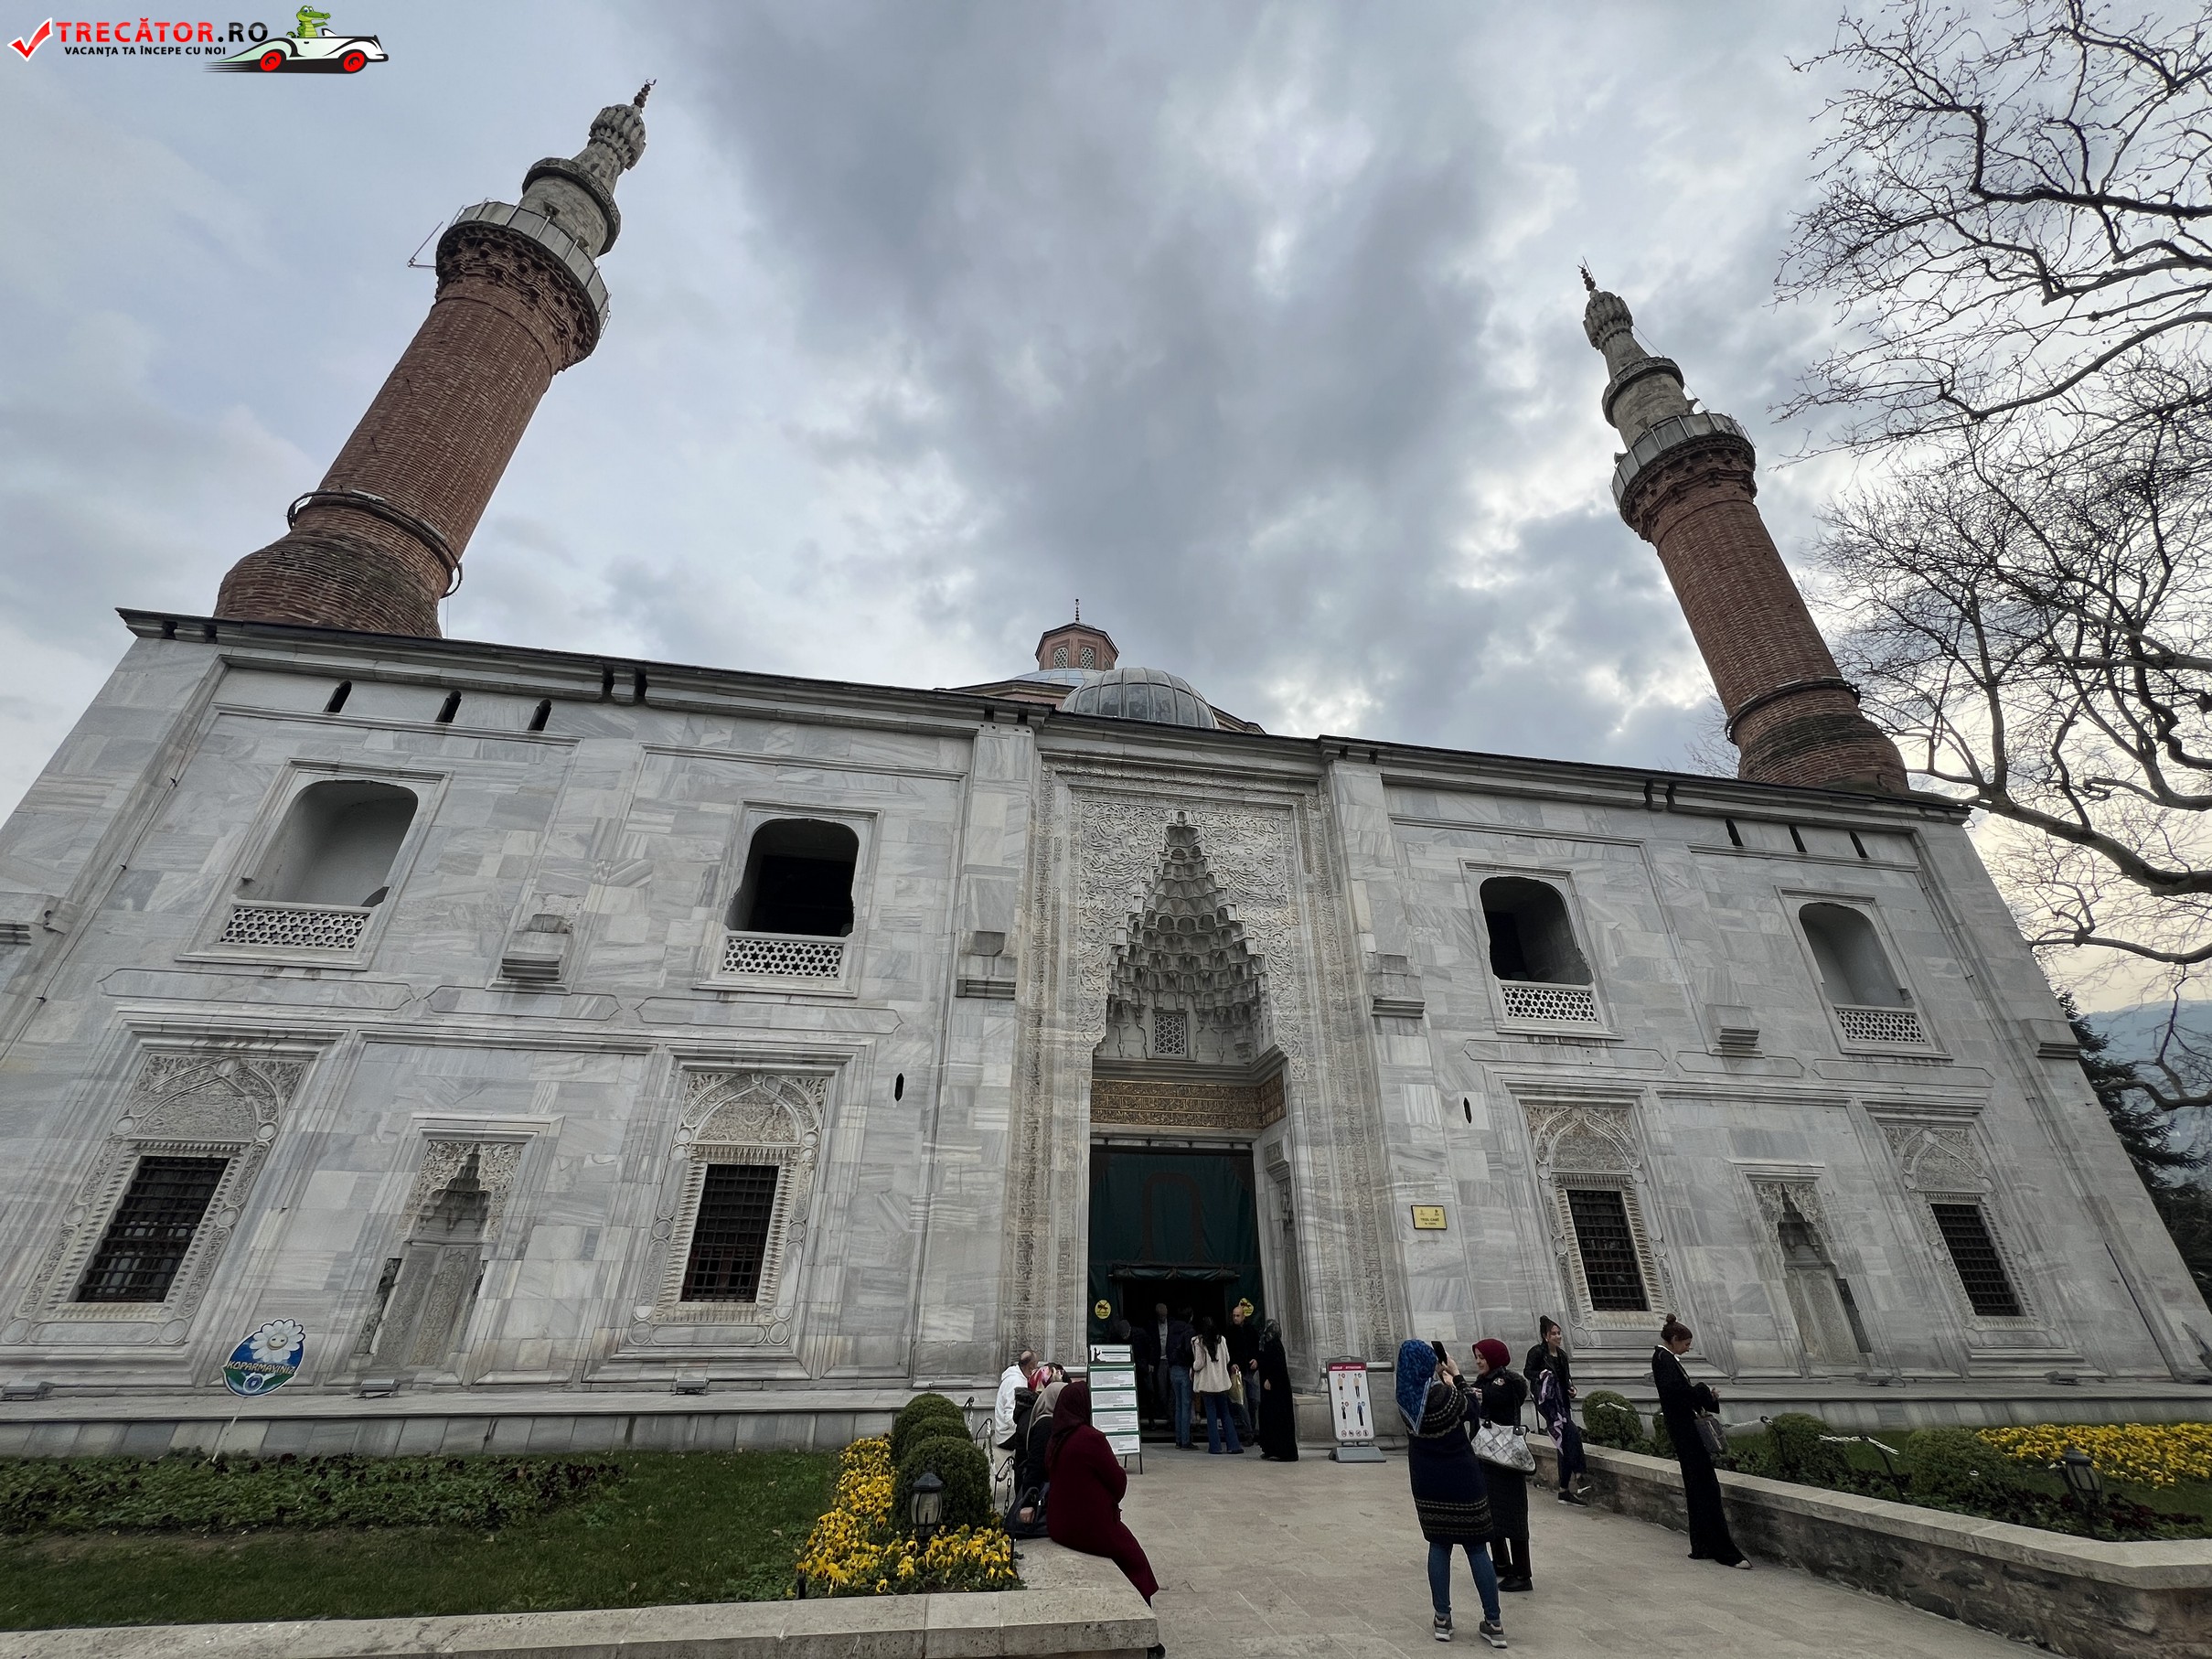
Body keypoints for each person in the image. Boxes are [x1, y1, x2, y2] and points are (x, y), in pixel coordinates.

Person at [1397, 1341, 1506, 1648]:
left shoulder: (1406, 1400)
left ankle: (1442, 1618)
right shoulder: (1445, 1395)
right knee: (1475, 1547)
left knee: (1440, 1544)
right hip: (1462, 1478)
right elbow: (1473, 1409)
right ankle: (1493, 1621)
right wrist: (1456, 1376)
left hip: (1428, 1482)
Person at [1045, 1379, 1161, 1604]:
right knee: (1134, 1557)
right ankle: (1142, 1611)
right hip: (1086, 1526)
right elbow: (1118, 1484)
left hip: (1058, 1524)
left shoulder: (1057, 1438)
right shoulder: (1090, 1438)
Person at [1653, 1316, 1749, 1569]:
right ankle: (1723, 1550)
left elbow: (1681, 1394)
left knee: (1698, 1488)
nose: (1688, 1348)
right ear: (1674, 1340)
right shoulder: (1663, 1360)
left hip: (1685, 1431)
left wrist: (1703, 1396)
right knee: (1705, 1488)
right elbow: (1677, 1394)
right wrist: (1705, 1391)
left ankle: (1703, 1544)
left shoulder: (1667, 1359)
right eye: (1685, 1343)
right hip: (1685, 1432)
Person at [1469, 1338, 1532, 1593]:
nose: (1478, 1361)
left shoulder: (1506, 1382)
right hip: (1488, 1459)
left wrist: (1463, 1384)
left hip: (1507, 1461)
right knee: (1491, 1512)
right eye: (1476, 1357)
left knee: (1513, 1516)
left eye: (1482, 1357)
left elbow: (1491, 1397)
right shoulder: (1483, 1382)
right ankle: (1502, 1564)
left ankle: (1522, 1573)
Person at [1524, 1317, 1588, 1504]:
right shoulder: (1537, 1353)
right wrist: (1542, 1375)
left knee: (1563, 1443)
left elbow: (1567, 1378)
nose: (1558, 1337)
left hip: (1563, 1401)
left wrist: (1572, 1389)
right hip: (1549, 1403)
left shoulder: (1562, 1356)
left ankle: (1564, 1491)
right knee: (1572, 1433)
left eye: (1559, 1333)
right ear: (1545, 1336)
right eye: (1554, 1334)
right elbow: (1528, 1372)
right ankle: (1579, 1473)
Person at [1190, 1316, 1245, 1453]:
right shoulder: (1222, 1340)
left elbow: (1199, 1363)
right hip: (1221, 1383)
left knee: (1211, 1415)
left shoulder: (1199, 1342)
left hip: (1207, 1384)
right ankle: (1233, 1445)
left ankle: (1215, 1447)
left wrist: (1192, 1368)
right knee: (1225, 1413)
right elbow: (1227, 1359)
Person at [1255, 1316, 1298, 1461]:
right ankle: (1270, 1448)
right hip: (1268, 1390)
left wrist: (1271, 1379)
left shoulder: (1275, 1345)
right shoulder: (1266, 1344)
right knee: (1268, 1418)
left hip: (1277, 1389)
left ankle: (1285, 1452)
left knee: (1280, 1419)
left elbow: (1279, 1366)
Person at [1226, 1301, 1261, 1440]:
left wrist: (1256, 1359)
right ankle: (1248, 1431)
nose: (1235, 1318)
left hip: (1251, 1370)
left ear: (1243, 1317)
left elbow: (1258, 1347)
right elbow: (1227, 1351)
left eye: (1238, 1316)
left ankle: (1254, 1427)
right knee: (1241, 1402)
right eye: (1234, 1316)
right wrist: (1231, 1364)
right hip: (1238, 1370)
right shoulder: (1230, 1332)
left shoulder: (1251, 1330)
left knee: (1254, 1401)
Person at [1166, 1306, 1197, 1449]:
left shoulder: (1171, 1329)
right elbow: (1189, 1350)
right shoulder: (1189, 1330)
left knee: (1178, 1405)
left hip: (1173, 1368)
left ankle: (1178, 1439)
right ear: (1190, 1316)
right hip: (1185, 1369)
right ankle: (1185, 1440)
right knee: (1186, 1405)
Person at [1131, 1309, 1161, 1427]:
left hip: (1143, 1367)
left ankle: (1151, 1419)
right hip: (1133, 1368)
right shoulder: (1139, 1333)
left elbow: (1151, 1347)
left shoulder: (1141, 1334)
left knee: (1149, 1393)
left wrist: (1151, 1363)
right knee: (1138, 1394)